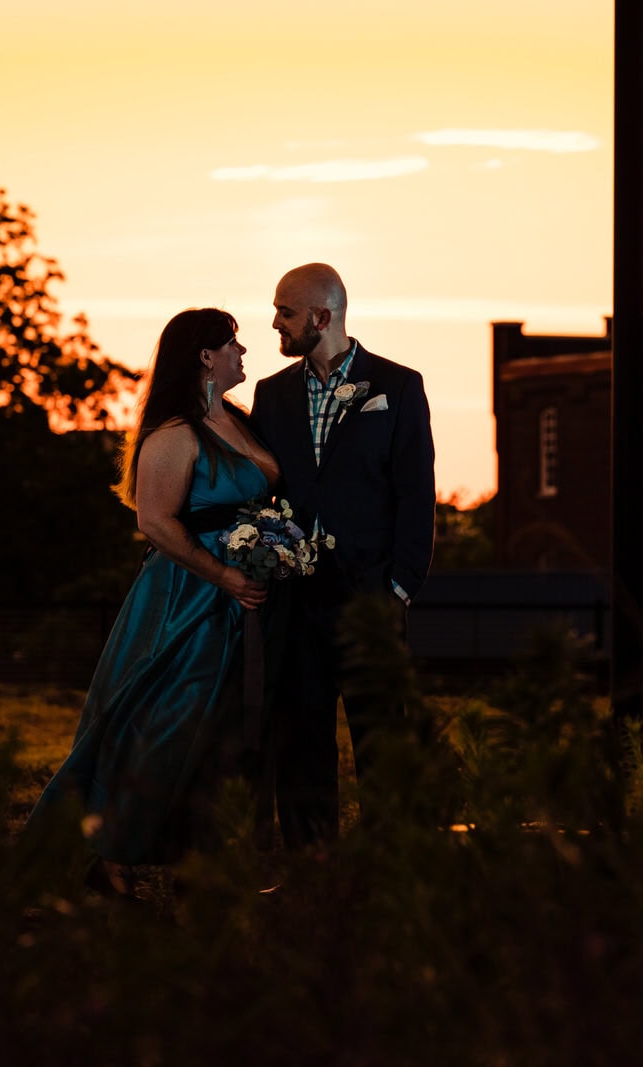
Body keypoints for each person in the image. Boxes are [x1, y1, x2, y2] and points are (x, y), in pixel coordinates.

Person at [28, 307, 280, 897]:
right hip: (187, 599)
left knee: (223, 732)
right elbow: (155, 521)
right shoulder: (174, 433)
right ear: (203, 356)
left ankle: (202, 859)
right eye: (233, 345)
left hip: (244, 598)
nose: (244, 353)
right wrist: (222, 573)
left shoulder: (239, 421)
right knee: (161, 722)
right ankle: (109, 857)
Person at [250, 263, 436, 847]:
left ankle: (388, 869)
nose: (274, 322)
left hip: (371, 598)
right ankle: (311, 869)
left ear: (320, 317)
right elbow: (261, 494)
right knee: (300, 737)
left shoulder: (399, 386)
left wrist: (399, 587)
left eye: (285, 311)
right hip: (296, 599)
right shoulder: (271, 394)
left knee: (382, 738)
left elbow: (416, 493)